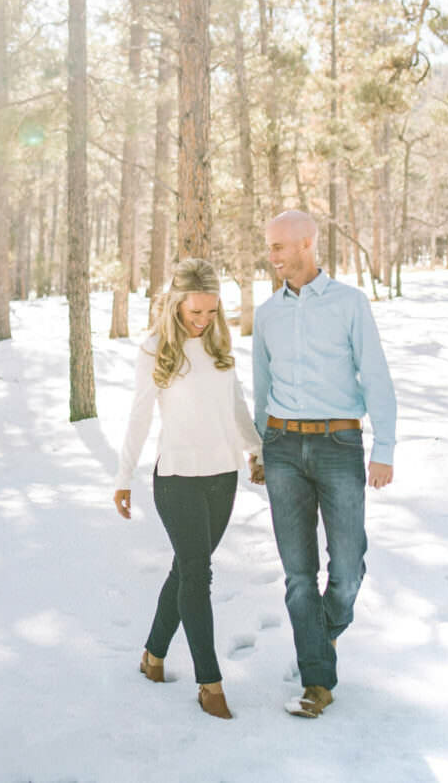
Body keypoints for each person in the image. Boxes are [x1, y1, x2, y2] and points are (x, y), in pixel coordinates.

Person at [252, 209, 396, 718]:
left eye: (278, 247)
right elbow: (261, 384)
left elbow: (375, 375)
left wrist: (385, 448)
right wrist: (259, 445)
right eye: (269, 247)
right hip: (283, 447)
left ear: (307, 244)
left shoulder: (350, 304)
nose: (271, 257)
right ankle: (317, 682)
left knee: (349, 567)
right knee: (297, 575)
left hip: (339, 443)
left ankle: (320, 635)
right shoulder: (266, 312)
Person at [113, 258, 263, 720]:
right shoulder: (156, 348)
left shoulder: (220, 342)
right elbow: (140, 414)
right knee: (198, 575)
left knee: (186, 570)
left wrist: (254, 448)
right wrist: (123, 477)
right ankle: (210, 683)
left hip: (222, 476)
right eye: (195, 312)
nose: (203, 321)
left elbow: (234, 402)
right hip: (176, 477)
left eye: (211, 311)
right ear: (176, 305)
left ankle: (153, 655)